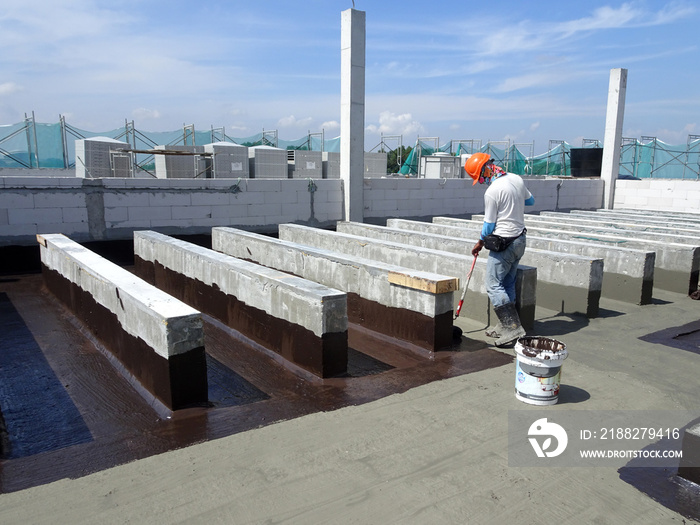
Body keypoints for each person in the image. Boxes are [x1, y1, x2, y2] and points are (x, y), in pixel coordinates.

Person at [465, 152, 535, 347]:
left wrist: (479, 243)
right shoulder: (516, 179)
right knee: (508, 282)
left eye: (479, 178)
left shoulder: (492, 191)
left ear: (485, 170)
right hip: (520, 240)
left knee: (493, 284)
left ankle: (512, 328)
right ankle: (505, 325)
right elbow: (530, 201)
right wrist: (514, 202)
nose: (481, 182)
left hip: (503, 243)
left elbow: (489, 225)